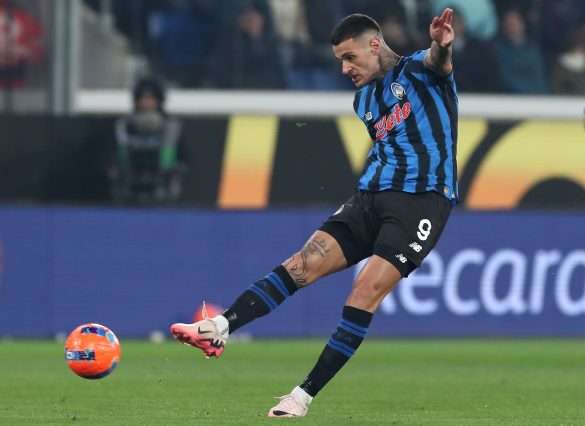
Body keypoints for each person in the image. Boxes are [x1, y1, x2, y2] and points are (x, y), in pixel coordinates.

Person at [171, 8, 458, 418]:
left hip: (422, 201)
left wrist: (441, 45)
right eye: (339, 60)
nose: (344, 69)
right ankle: (218, 327)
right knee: (301, 265)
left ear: (374, 45)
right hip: (370, 197)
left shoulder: (419, 71)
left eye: (350, 57)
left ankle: (301, 396)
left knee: (365, 291)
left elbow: (438, 62)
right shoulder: (364, 101)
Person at [110, 77, 183, 203]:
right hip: (129, 182)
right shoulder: (124, 125)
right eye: (143, 99)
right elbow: (114, 154)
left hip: (163, 183)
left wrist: (172, 169)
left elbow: (182, 157)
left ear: (159, 101)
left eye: (151, 99)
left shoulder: (171, 126)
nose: (146, 103)